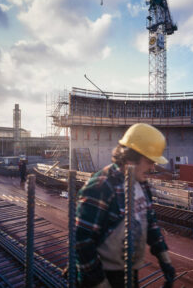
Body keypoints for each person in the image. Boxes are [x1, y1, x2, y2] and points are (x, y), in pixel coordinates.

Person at [75, 123, 175, 288]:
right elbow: (82, 241)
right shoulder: (101, 186)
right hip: (100, 275)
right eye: (149, 161)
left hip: (128, 273)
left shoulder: (141, 184)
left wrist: (164, 257)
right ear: (130, 158)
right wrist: (99, 282)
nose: (153, 167)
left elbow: (150, 221)